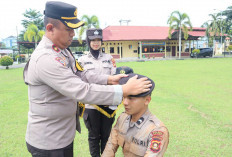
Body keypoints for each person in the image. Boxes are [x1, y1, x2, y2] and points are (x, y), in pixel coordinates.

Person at [23, 1, 151, 157]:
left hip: (60, 135)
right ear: (50, 28)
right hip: (49, 141)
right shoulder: (46, 58)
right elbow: (81, 90)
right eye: (69, 29)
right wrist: (123, 90)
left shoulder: (62, 51)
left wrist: (110, 79)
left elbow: (82, 75)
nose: (73, 34)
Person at [78, 30, 134, 157]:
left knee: (106, 136)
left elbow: (115, 77)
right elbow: (82, 80)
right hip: (91, 104)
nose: (96, 43)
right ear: (88, 41)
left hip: (108, 104)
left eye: (98, 40)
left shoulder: (109, 59)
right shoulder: (82, 60)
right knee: (93, 136)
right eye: (93, 40)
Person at [102, 73, 169, 157]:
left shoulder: (157, 131)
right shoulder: (123, 118)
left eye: (131, 98)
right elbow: (110, 147)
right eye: (124, 97)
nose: (125, 103)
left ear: (147, 100)